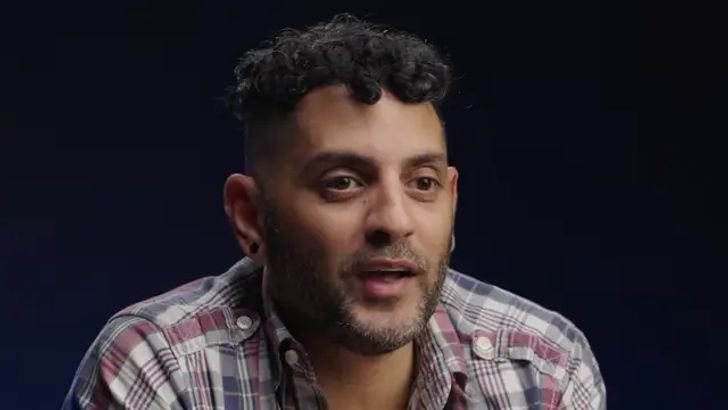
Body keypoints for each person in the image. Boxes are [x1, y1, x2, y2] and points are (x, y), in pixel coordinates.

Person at [64, 13, 605, 410]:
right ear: (250, 216)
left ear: (452, 198)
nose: (394, 220)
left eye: (422, 183)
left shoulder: (544, 369)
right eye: (343, 183)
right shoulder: (161, 368)